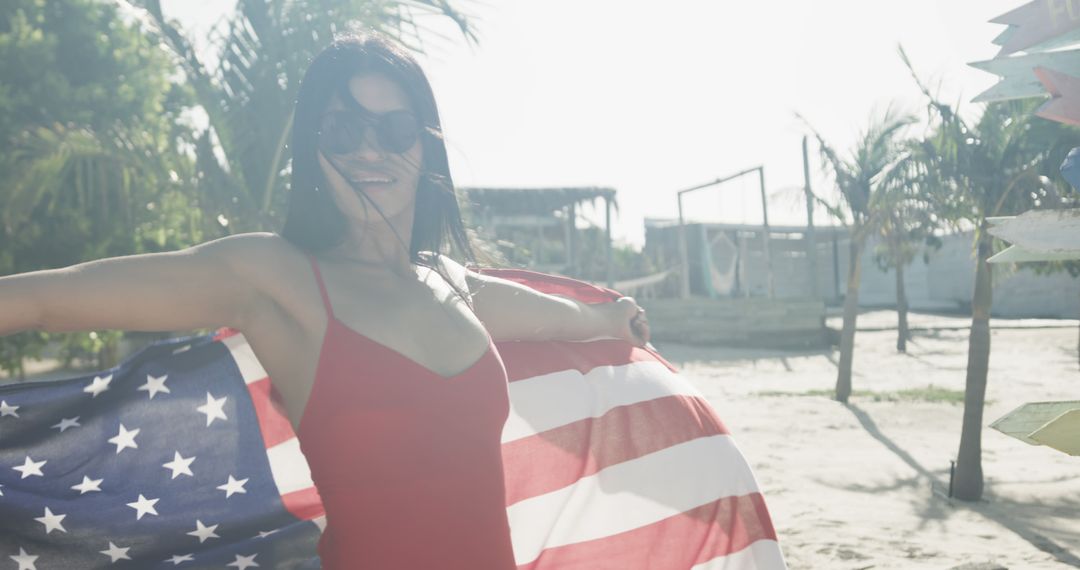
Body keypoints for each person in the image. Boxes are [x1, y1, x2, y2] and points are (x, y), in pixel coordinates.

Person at [0, 33, 649, 569]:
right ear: (315, 149)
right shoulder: (276, 279)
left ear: (425, 147)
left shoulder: (455, 286)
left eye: (395, 129)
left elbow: (547, 313)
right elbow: (53, 299)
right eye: (343, 130)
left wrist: (606, 318)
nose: (371, 149)